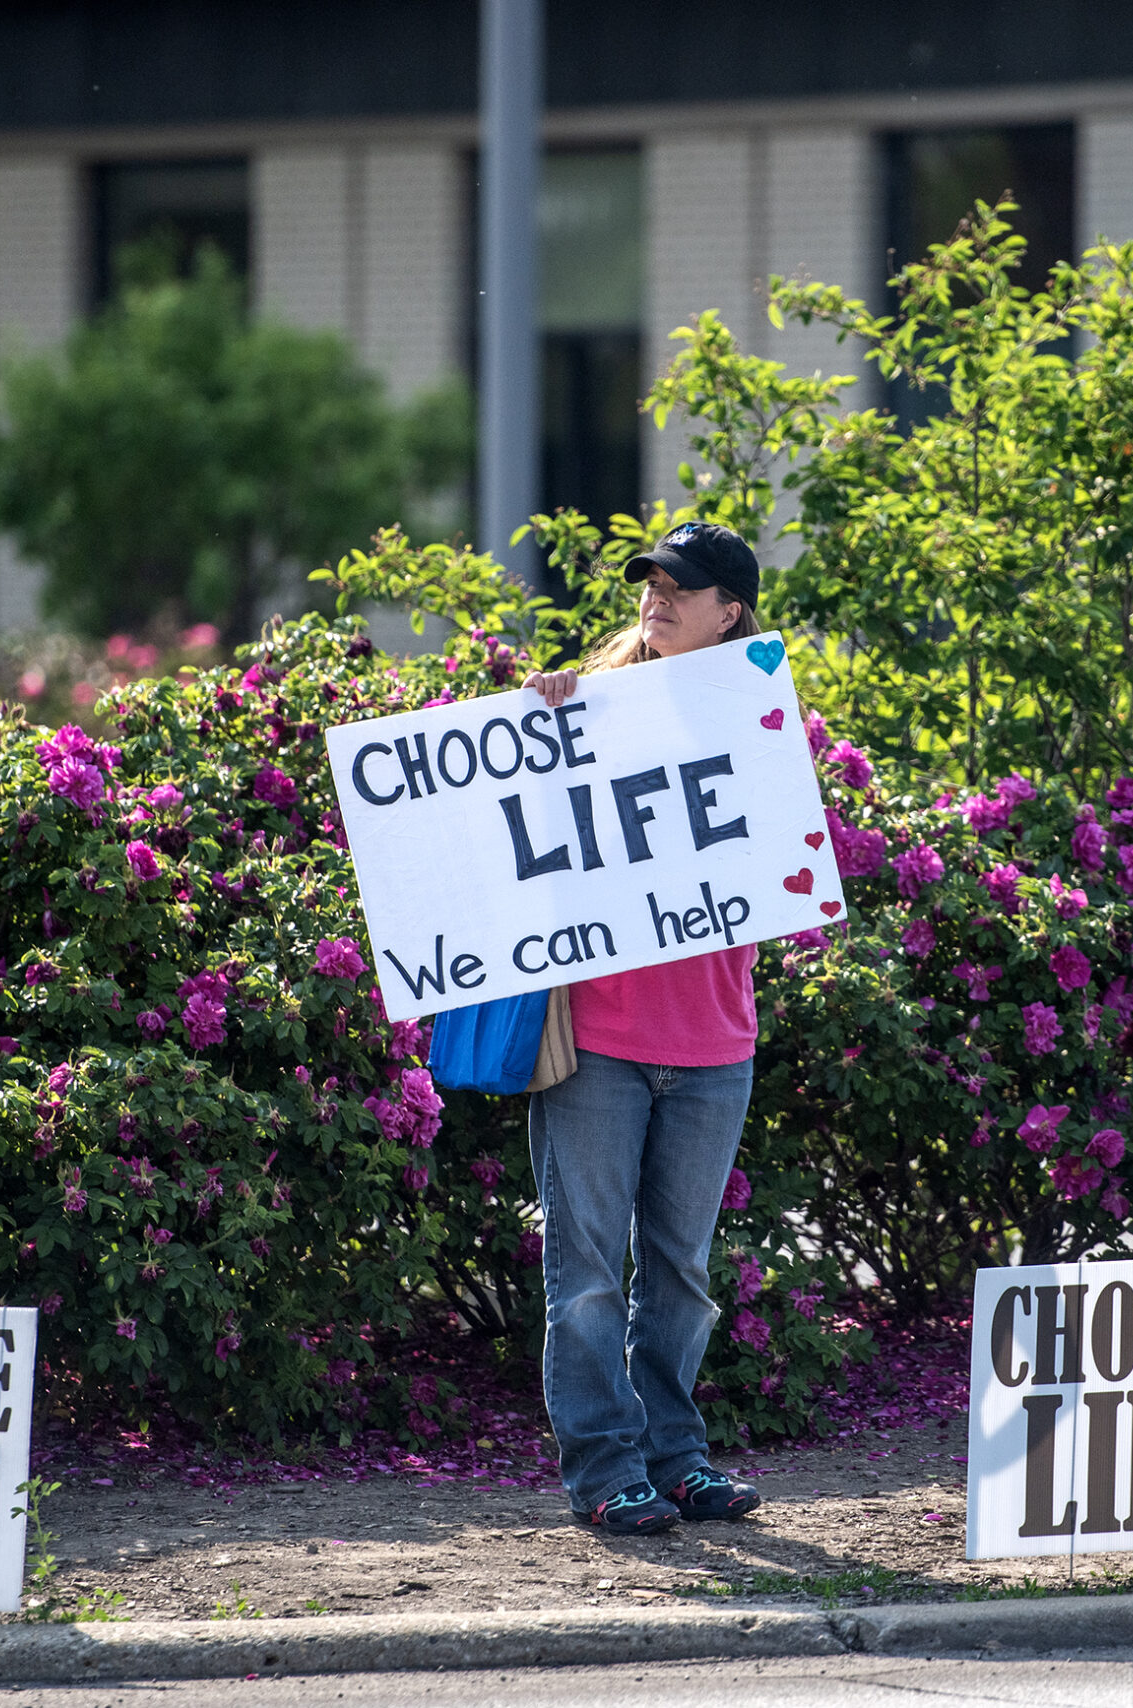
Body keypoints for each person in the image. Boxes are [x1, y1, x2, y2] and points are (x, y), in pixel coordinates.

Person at [519, 522, 769, 1536]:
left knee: (680, 1277)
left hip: (713, 1045)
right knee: (584, 1273)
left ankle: (677, 1460)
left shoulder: (762, 719)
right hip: (602, 1043)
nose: (657, 596)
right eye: (650, 582)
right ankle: (604, 1469)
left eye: (682, 585)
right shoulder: (578, 709)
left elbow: (785, 871)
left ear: (731, 611)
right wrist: (536, 732)